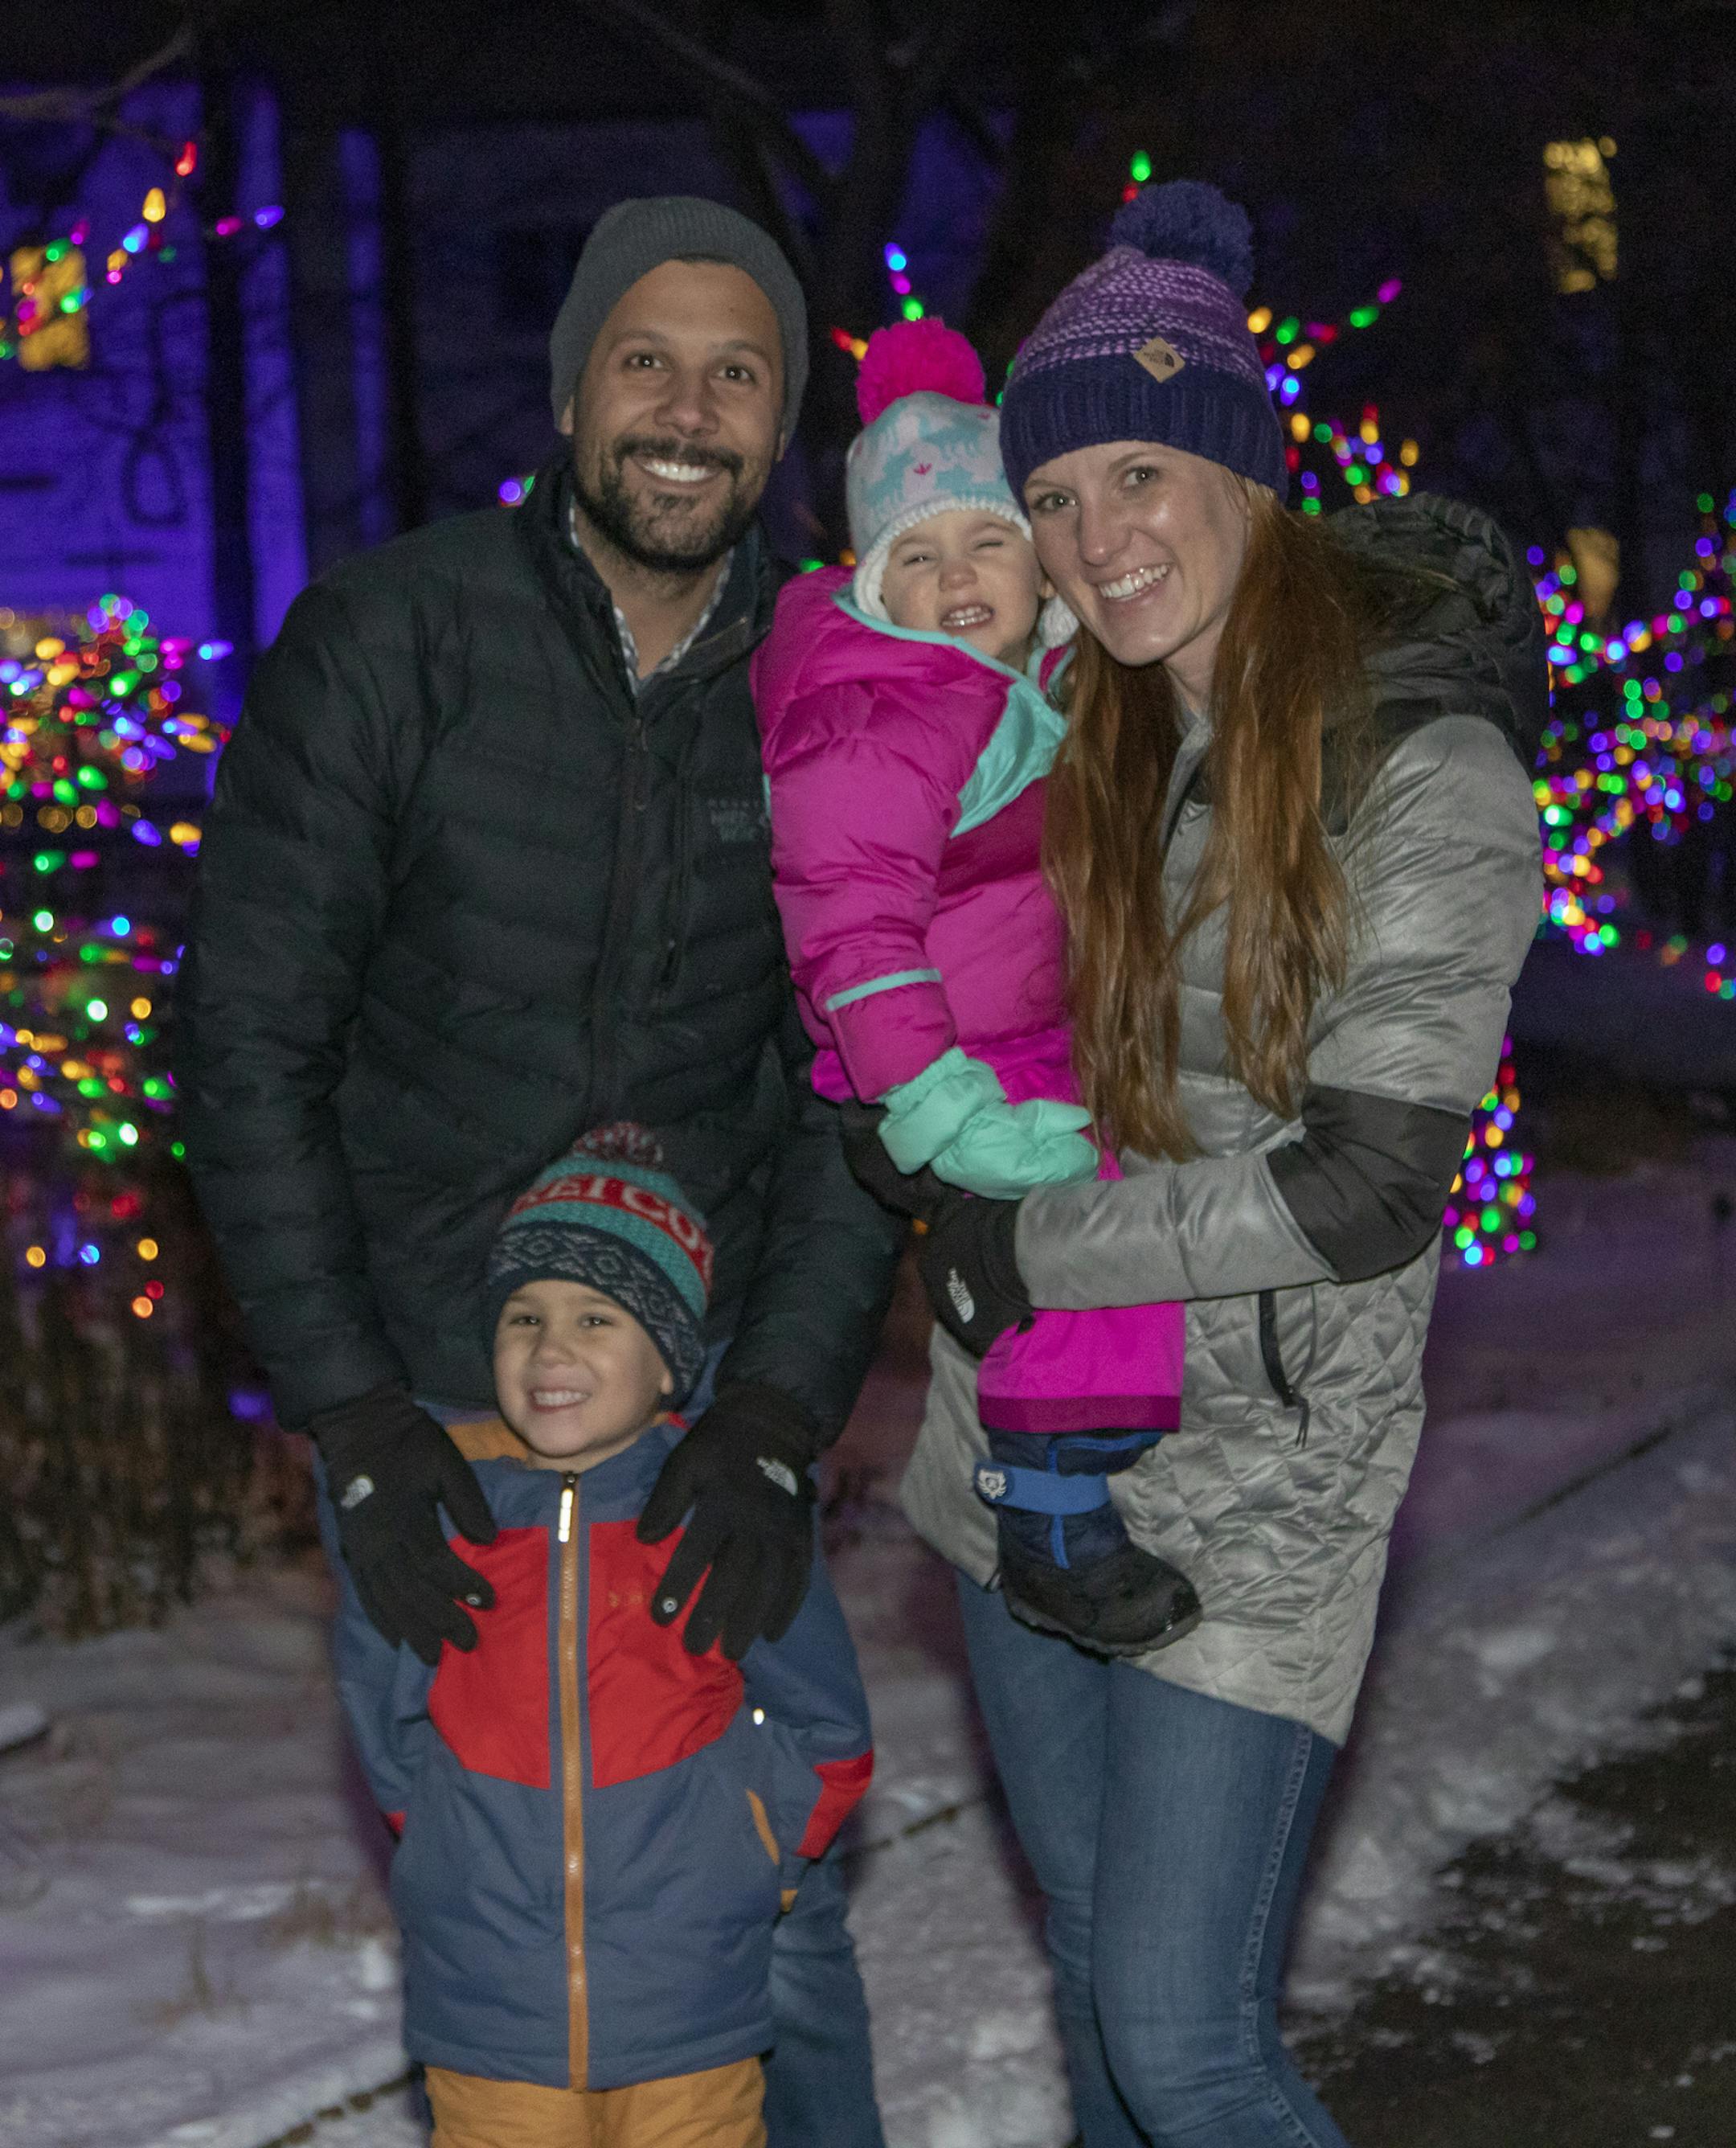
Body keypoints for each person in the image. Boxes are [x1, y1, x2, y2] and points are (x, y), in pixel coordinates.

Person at [176, 197, 901, 2147]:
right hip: (423, 1402)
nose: (687, 409)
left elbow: (860, 1073)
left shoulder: (836, 681)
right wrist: (343, 1408)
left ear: (783, 419)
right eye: (645, 360)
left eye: (736, 371)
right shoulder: (392, 640)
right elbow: (246, 1037)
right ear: (571, 381)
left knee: (773, 1923)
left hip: (698, 1405)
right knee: (493, 1905)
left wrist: (769, 1411)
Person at [874, 182, 1546, 2143]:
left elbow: (1363, 1187)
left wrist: (1023, 1242)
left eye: (1142, 471)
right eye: (1057, 493)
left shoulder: (1420, 763)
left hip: (1254, 1500)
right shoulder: (1048, 740)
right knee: (1094, 1993)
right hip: (1011, 1463)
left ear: (1250, 471)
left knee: (1181, 2039)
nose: (1096, 539)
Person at [754, 317, 1196, 1654]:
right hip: (940, 1058)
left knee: (1132, 1221)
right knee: (1072, 1229)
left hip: (1025, 1029)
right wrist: (944, 1112)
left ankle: (1085, 1457)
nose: (956, 582)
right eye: (917, 555)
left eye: (986, 544)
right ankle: (1049, 1509)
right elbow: (856, 935)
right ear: (874, 582)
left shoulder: (1028, 685)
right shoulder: (877, 715)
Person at [322, 1125, 873, 2147]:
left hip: (691, 2009)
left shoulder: (717, 1516)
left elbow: (827, 1725)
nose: (550, 1347)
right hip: (488, 2015)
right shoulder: (450, 1516)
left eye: (596, 1316)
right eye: (522, 1315)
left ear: (671, 1364)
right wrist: (450, 1836)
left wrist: (755, 1851)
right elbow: (385, 1715)